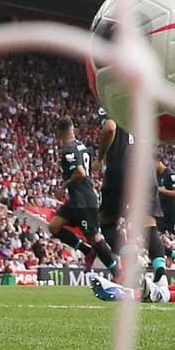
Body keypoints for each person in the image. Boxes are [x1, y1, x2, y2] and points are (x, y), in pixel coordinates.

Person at [94, 113, 169, 283]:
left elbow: (110, 128)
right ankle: (161, 274)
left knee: (107, 222)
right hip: (146, 171)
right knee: (149, 225)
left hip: (120, 170)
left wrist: (99, 158)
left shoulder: (113, 104)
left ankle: (132, 258)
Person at [47, 116, 119, 276]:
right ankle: (87, 251)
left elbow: (80, 171)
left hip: (83, 201)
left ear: (59, 133)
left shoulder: (68, 150)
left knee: (94, 237)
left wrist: (62, 187)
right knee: (54, 226)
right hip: (76, 200)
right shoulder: (82, 146)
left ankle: (117, 271)